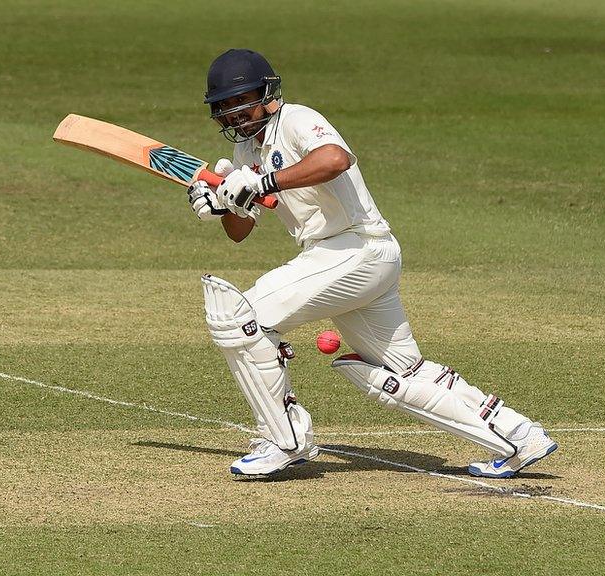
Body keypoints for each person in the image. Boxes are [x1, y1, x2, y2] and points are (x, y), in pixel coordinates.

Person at [187, 49, 557, 479]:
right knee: (402, 373)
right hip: (344, 260)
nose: (234, 114)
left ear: (267, 93)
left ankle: (284, 439)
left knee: (239, 318)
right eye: (224, 107)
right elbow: (239, 231)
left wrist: (262, 181)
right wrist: (222, 202)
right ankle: (520, 435)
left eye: (241, 101)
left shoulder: (296, 120)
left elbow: (335, 159)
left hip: (356, 249)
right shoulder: (251, 150)